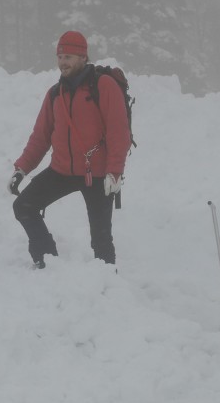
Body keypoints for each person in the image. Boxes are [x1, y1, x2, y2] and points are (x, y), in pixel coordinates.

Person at [7, 30, 131, 268]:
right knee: (23, 206)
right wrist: (21, 168)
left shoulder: (103, 86)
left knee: (101, 239)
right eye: (60, 57)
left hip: (97, 175)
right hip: (61, 170)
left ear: (83, 58)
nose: (63, 62)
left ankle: (108, 287)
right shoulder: (55, 93)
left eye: (69, 57)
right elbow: (41, 137)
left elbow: (119, 132)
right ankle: (48, 262)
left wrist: (115, 171)